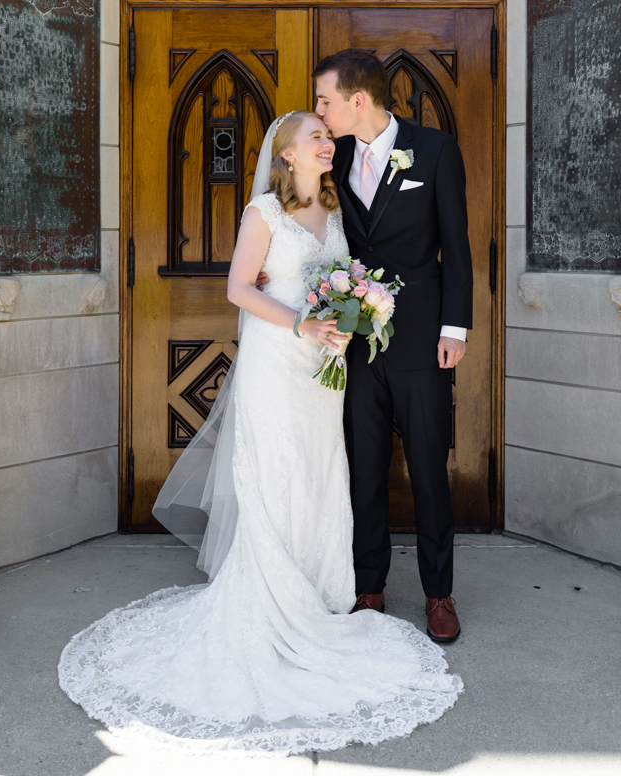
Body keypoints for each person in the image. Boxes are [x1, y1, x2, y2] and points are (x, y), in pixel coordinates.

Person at [58, 111, 460, 755]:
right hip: (280, 362)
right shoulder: (264, 214)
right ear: (286, 153)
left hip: (324, 369)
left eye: (330, 136)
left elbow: (346, 283)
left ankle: (323, 586)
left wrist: (355, 313)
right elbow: (240, 289)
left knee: (321, 468)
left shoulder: (336, 216)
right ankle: (271, 595)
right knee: (276, 468)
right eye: (317, 137)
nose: (329, 143)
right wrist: (301, 322)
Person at [313, 47, 472, 644]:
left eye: (326, 100)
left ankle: (439, 593)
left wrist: (455, 327)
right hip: (356, 340)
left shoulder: (434, 151)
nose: (319, 112)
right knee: (364, 466)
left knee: (429, 466)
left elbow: (455, 246)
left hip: (423, 340)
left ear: (358, 100)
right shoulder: (336, 156)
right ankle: (368, 585)